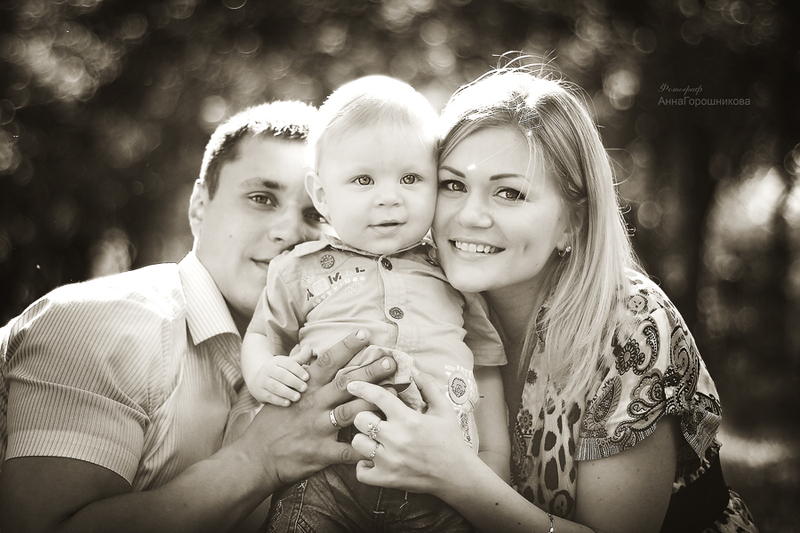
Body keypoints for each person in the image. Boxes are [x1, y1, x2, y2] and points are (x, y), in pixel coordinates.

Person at [344, 68, 759, 533]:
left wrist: (454, 476)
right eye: (452, 184)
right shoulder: (407, 290)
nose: (470, 215)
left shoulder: (632, 328)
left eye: (509, 193)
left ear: (572, 222)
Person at [0, 101, 397, 533]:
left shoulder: (331, 367)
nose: (289, 234)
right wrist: (258, 460)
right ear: (199, 207)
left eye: (317, 214)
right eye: (262, 199)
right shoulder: (103, 324)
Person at [242, 76, 509, 532]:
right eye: (364, 180)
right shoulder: (298, 269)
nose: (389, 197)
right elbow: (262, 335)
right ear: (322, 195)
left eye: (410, 178)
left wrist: (492, 458)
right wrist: (263, 371)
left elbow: (483, 364)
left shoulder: (452, 271)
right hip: (327, 467)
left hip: (440, 475)